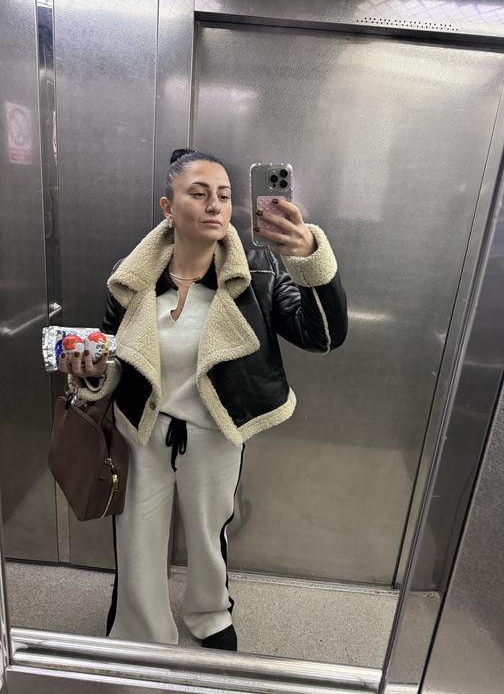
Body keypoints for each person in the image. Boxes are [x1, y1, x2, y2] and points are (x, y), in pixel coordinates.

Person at [60, 149, 348, 651]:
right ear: (168, 207)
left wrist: (306, 259)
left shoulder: (258, 270)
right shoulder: (133, 274)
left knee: (209, 531)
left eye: (224, 195)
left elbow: (322, 335)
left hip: (216, 430)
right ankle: (141, 628)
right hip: (142, 426)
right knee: (137, 533)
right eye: (198, 194)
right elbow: (114, 352)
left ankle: (210, 613)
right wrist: (93, 372)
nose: (215, 205)